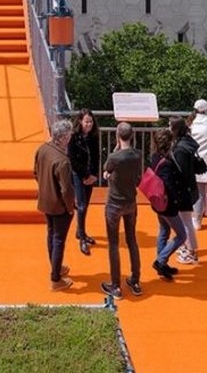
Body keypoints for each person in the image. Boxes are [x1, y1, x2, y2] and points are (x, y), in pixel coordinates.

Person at [99, 120, 143, 299]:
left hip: (114, 203)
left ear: (118, 136)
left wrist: (116, 148)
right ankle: (135, 280)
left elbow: (106, 172)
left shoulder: (114, 157)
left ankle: (116, 286)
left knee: (114, 243)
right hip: (131, 202)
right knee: (132, 240)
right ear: (132, 136)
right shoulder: (137, 155)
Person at [33, 117, 76, 291]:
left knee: (51, 235)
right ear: (64, 137)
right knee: (59, 239)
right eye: (69, 135)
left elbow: (35, 172)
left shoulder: (42, 149)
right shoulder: (63, 160)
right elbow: (66, 189)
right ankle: (56, 278)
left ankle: (55, 266)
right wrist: (70, 207)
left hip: (45, 200)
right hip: (59, 206)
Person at [147, 128, 188, 280]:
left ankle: (162, 264)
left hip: (157, 203)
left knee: (164, 230)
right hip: (167, 205)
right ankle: (160, 260)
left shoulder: (154, 157)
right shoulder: (167, 163)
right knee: (182, 235)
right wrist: (177, 201)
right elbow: (169, 186)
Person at [169, 115, 204, 264]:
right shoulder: (187, 143)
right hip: (190, 188)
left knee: (185, 222)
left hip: (184, 190)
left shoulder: (181, 149)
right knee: (185, 220)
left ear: (175, 128)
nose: (168, 128)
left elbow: (181, 172)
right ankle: (187, 246)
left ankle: (191, 251)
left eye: (170, 126)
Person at [68, 109, 101, 255]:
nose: (89, 124)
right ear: (80, 121)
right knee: (80, 205)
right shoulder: (73, 137)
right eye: (86, 121)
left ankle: (80, 231)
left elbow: (96, 156)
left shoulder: (93, 137)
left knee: (86, 204)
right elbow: (72, 159)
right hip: (78, 174)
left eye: (91, 121)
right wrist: (85, 175)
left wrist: (94, 174)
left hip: (90, 175)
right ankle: (82, 238)